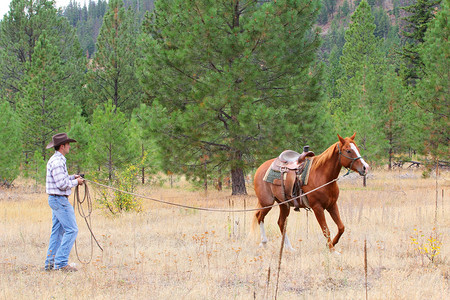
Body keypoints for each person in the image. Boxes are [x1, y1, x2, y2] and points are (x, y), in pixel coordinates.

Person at [44, 133, 84, 272]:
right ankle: (61, 263)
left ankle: (50, 263)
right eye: (68, 144)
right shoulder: (57, 162)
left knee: (57, 232)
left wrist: (72, 177)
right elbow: (61, 184)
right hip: (59, 200)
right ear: (62, 146)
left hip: (56, 199)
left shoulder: (57, 160)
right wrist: (76, 182)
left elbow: (61, 179)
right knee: (72, 230)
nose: (69, 146)